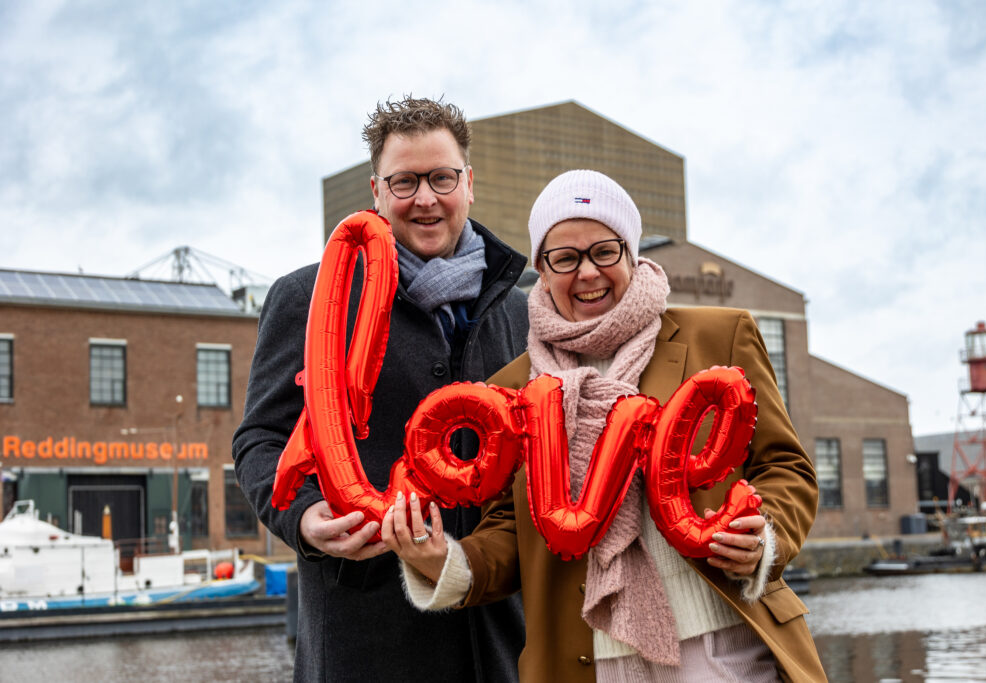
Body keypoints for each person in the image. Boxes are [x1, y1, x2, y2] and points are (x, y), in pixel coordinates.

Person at [383, 170, 827, 682]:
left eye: (604, 251)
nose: (588, 273)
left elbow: (785, 466)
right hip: (585, 663)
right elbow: (513, 529)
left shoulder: (720, 336)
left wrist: (763, 535)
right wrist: (444, 561)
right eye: (565, 259)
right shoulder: (513, 385)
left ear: (631, 252)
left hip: (722, 644)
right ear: (542, 271)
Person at [232, 96, 528, 682]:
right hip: (367, 630)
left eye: (441, 177)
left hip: (499, 635)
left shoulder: (524, 309)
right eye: (404, 181)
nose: (425, 198)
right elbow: (262, 438)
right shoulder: (308, 297)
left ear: (469, 183)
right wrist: (305, 518)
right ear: (376, 190)